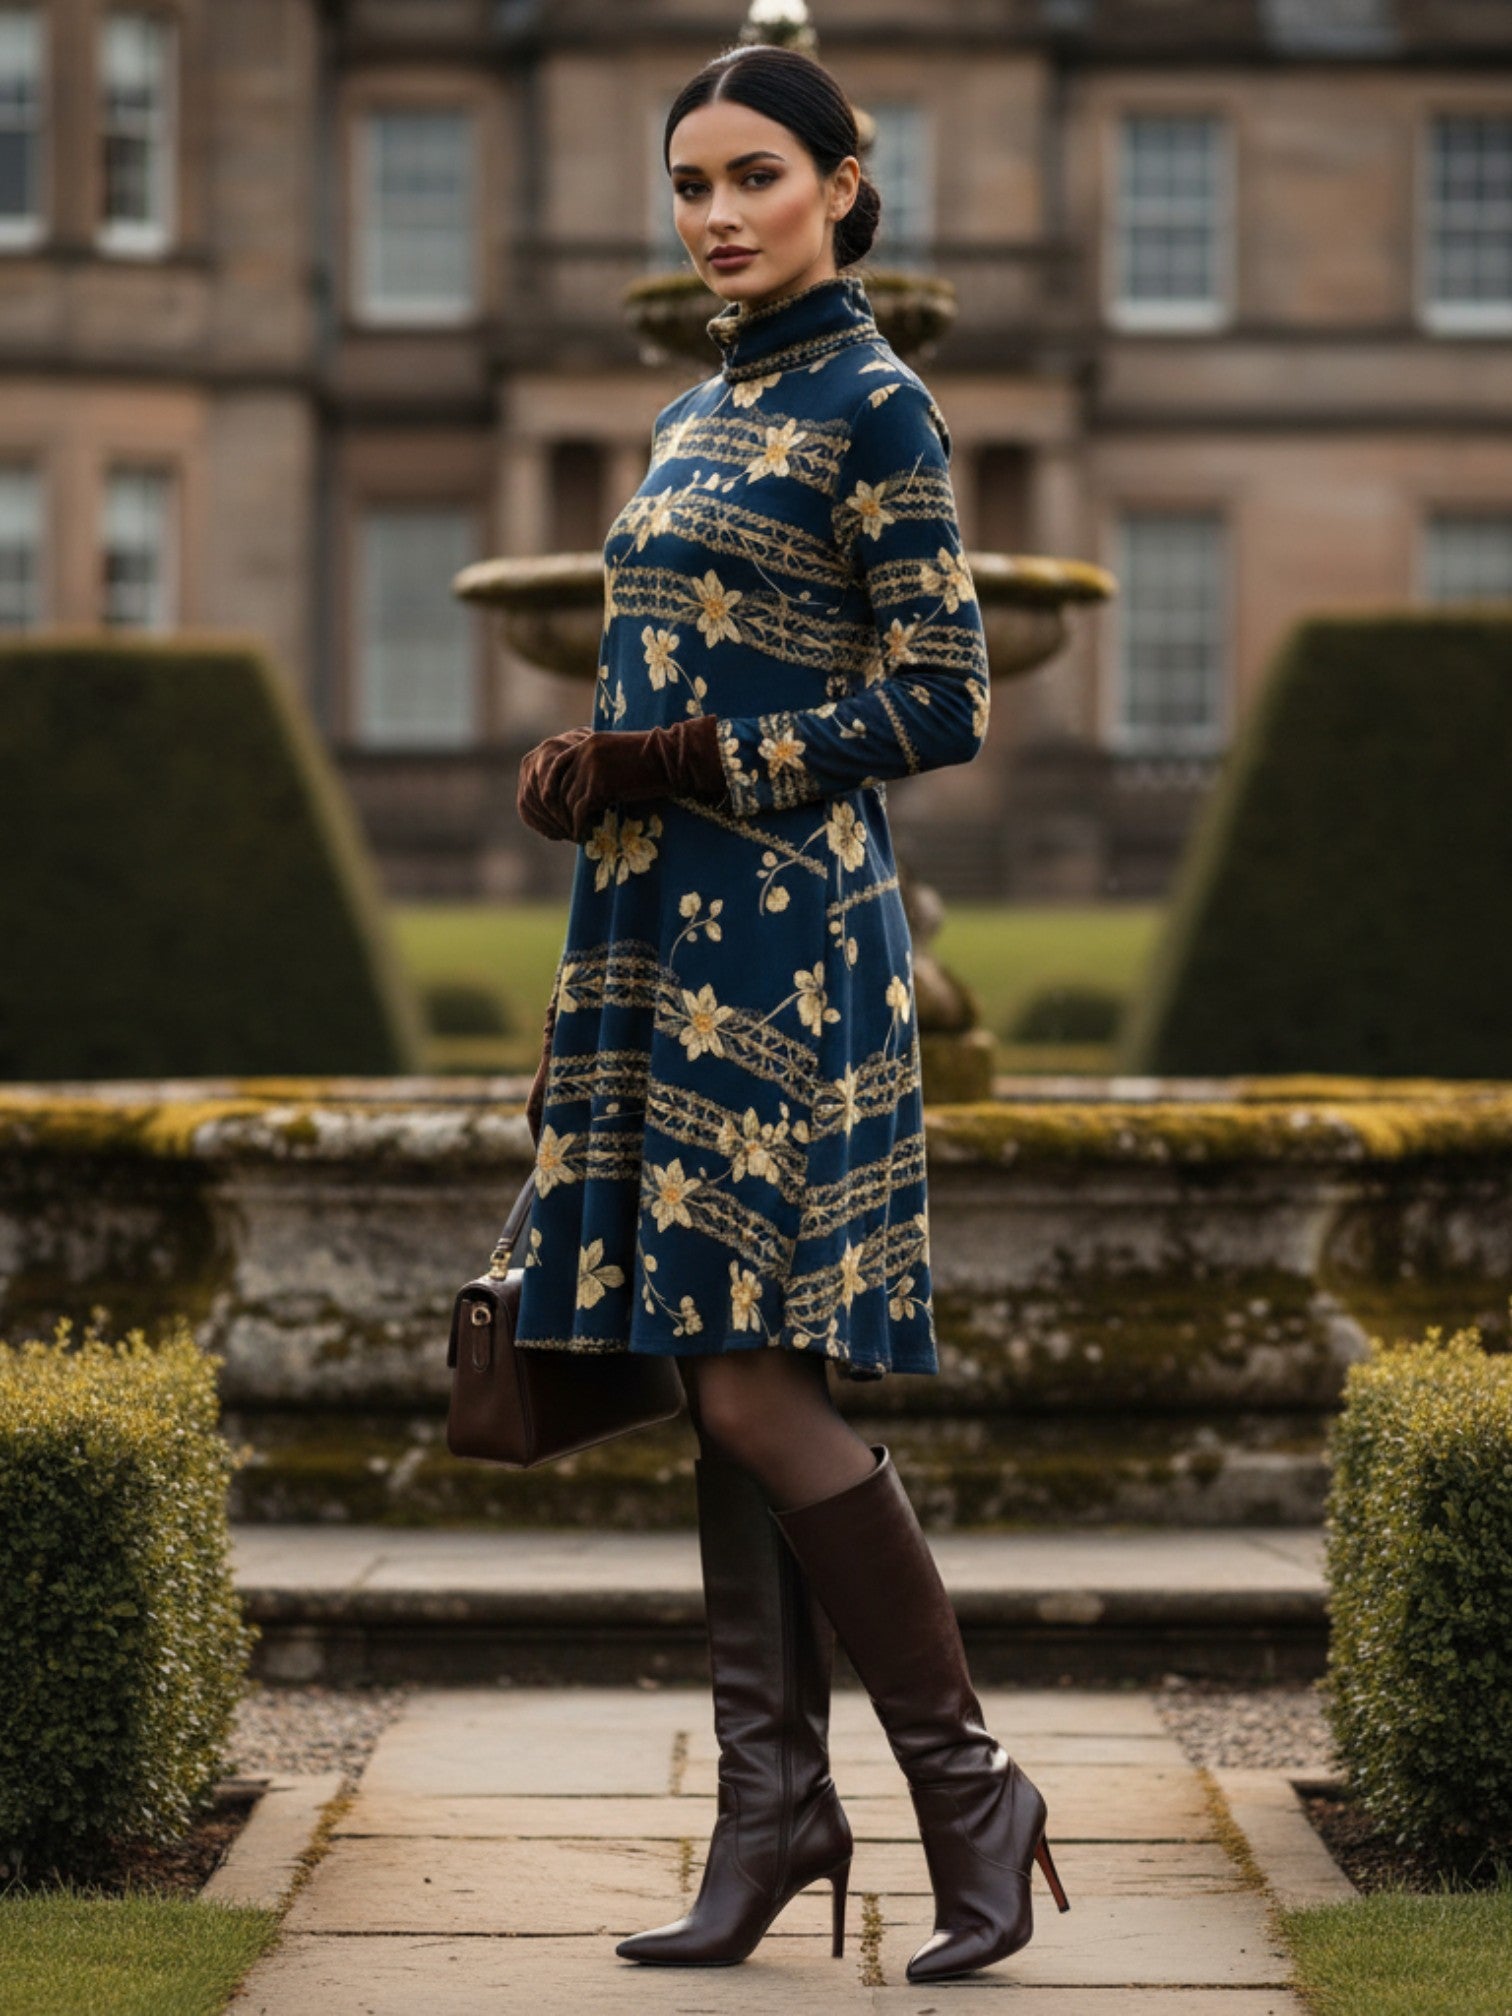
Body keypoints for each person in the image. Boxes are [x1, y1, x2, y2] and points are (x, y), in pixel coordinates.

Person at [512, 39, 1069, 1986]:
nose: (719, 214)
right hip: (658, 942)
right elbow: (676, 662)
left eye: (754, 175)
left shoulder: (878, 407)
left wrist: (679, 757)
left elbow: (945, 700)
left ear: (845, 182)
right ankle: (773, 1812)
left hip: (793, 945)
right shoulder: (689, 411)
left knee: (752, 1381)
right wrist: (597, 761)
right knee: (715, 1373)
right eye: (690, 187)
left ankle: (965, 1786)